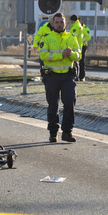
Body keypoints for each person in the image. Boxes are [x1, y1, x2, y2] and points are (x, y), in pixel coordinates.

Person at [39, 12, 81, 143]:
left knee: (69, 101)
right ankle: (53, 132)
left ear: (65, 23)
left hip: (68, 75)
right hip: (51, 76)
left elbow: (78, 54)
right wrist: (61, 56)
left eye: (61, 22)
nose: (59, 24)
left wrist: (72, 54)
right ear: (52, 23)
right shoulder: (46, 38)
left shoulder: (71, 37)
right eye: (56, 22)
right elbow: (43, 56)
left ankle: (67, 132)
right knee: (53, 105)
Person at [69, 15, 84, 81]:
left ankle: (76, 76)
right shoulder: (79, 25)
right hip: (79, 46)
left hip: (75, 47)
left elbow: (72, 38)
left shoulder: (75, 27)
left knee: (76, 63)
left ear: (72, 20)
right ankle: (77, 76)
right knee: (77, 63)